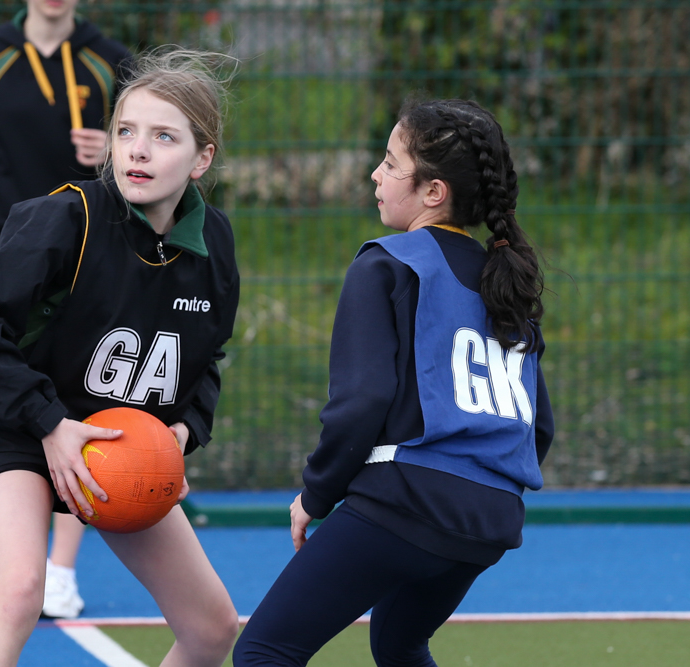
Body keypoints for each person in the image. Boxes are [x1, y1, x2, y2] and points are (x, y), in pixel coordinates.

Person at [0, 48, 241, 666]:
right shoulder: (64, 218)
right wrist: (47, 421)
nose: (138, 149)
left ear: (202, 158)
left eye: (163, 136)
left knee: (213, 627)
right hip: (22, 421)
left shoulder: (213, 243)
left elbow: (208, 356)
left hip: (116, 442)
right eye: (126, 131)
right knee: (20, 592)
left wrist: (185, 427)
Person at [233, 98, 555, 667]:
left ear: (434, 192)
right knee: (400, 644)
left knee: (264, 652)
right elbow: (539, 427)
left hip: (408, 501)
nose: (375, 175)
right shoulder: (508, 282)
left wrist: (317, 493)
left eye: (389, 162)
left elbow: (362, 401)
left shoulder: (387, 263)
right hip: (491, 521)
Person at [0, 0, 131, 619]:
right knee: (9, 399)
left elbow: (152, 157)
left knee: (82, 398)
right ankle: (17, 562)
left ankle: (60, 571)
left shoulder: (111, 62)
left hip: (90, 254)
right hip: (4, 255)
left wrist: (112, 151)